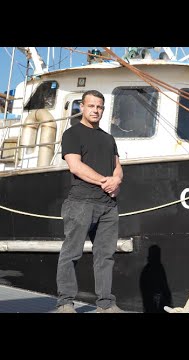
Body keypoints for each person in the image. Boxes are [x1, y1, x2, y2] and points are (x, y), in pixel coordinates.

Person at [56, 89, 124, 313]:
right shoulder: (72, 134)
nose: (96, 110)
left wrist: (116, 180)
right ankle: (65, 302)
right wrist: (106, 182)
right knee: (71, 253)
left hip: (108, 206)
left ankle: (106, 304)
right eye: (92, 106)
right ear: (82, 108)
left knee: (105, 256)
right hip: (81, 203)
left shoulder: (109, 138)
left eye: (100, 107)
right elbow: (75, 166)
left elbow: (118, 167)